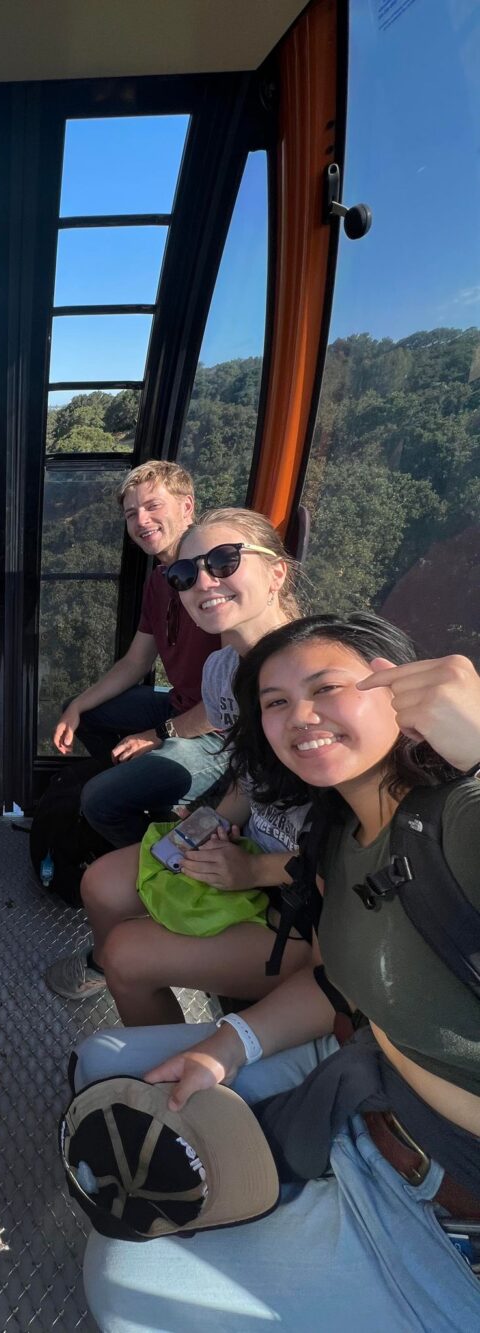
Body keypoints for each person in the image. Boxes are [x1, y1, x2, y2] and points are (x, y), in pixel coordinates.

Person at [72, 615, 480, 1333]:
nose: (303, 715)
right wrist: (223, 1046)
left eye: (327, 687)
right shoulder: (342, 837)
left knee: (129, 1290)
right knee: (101, 1063)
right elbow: (337, 985)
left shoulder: (457, 818)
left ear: (401, 687)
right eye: (277, 702)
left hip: (444, 1189)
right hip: (358, 1087)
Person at [47, 508, 311, 1009]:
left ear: (277, 572)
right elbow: (248, 780)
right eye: (186, 575)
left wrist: (251, 873)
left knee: (127, 951)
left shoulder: (317, 679)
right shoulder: (223, 669)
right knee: (99, 884)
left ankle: (172, 1056)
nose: (203, 582)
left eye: (224, 561)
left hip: (302, 897)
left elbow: (354, 851)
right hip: (250, 846)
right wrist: (210, 824)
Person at [51, 461, 226, 850]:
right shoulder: (159, 580)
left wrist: (159, 736)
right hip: (179, 707)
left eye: (152, 506)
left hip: (223, 736)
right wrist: (76, 707)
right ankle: (153, 804)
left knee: (99, 801)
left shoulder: (217, 579)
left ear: (186, 507)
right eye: (132, 514)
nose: (141, 520)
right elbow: (136, 663)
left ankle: (163, 868)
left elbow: (228, 705)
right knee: (88, 713)